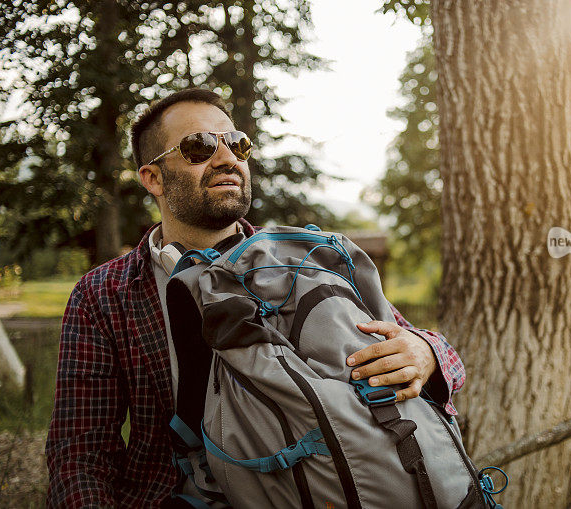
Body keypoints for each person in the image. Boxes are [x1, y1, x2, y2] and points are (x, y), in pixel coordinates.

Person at [45, 88, 466, 507]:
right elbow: (80, 452)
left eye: (238, 144)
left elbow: (432, 352)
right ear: (153, 178)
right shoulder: (103, 294)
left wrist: (425, 352)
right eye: (199, 147)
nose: (228, 159)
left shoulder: (307, 261)